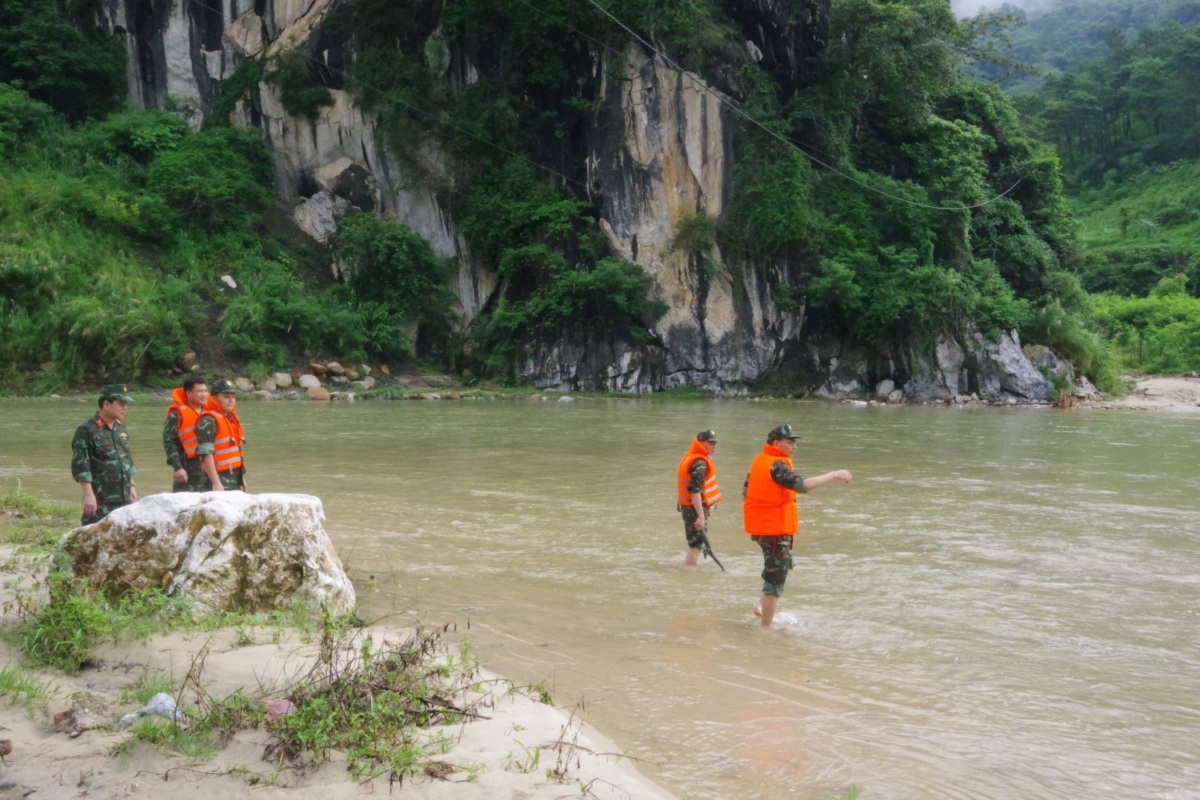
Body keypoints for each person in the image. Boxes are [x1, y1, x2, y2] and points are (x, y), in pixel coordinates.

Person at [743, 424, 852, 627]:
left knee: (776, 568)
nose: (795, 447)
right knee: (775, 579)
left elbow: (746, 492)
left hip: (763, 528)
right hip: (773, 529)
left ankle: (761, 607)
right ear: (777, 444)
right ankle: (766, 628)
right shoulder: (777, 466)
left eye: (795, 443)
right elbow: (803, 486)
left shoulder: (760, 462)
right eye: (790, 443)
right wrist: (835, 474)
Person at [71, 384, 138, 525]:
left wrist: (132, 486)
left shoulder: (120, 428)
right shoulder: (86, 430)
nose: (124, 407)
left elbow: (127, 460)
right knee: (94, 537)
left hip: (124, 497)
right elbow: (81, 467)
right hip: (101, 499)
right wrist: (89, 496)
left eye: (125, 404)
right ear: (106, 404)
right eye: (121, 403)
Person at [164, 375, 217, 492]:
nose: (204, 395)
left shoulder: (209, 414)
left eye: (205, 391)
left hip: (209, 470)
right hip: (187, 470)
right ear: (188, 393)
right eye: (199, 391)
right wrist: (177, 468)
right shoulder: (176, 415)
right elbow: (169, 442)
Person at [676, 429, 721, 566]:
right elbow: (695, 491)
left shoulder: (691, 456)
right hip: (694, 508)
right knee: (696, 546)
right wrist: (701, 516)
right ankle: (690, 577)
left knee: (695, 544)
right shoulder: (699, 463)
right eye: (711, 443)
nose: (714, 446)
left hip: (688, 506)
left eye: (715, 443)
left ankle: (690, 572)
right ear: (701, 443)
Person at [195, 378, 247, 492]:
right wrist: (216, 483)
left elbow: (236, 453)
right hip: (217, 482)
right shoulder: (208, 421)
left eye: (233, 397)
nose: (231, 400)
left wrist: (242, 480)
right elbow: (206, 456)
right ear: (214, 398)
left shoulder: (231, 420)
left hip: (235, 480)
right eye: (226, 397)